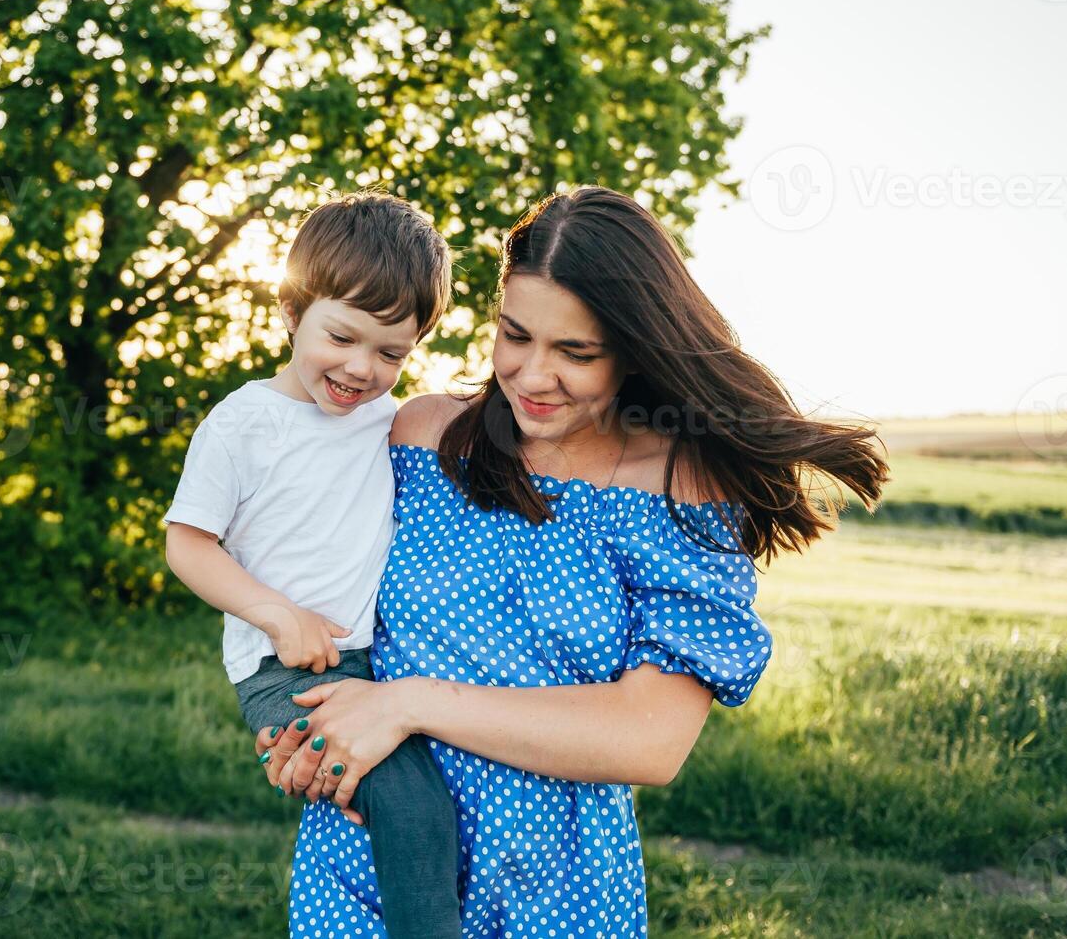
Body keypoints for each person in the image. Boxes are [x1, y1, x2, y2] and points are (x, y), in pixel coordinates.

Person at [253, 187, 890, 937]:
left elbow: (648, 740)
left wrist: (406, 704)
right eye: (514, 335)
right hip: (373, 855)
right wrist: (306, 734)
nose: (530, 375)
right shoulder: (421, 438)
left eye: (575, 352)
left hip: (553, 888)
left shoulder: (678, 490)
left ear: (634, 347)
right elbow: (312, 592)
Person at [162, 191, 463, 938]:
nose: (361, 368)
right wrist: (276, 613)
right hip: (287, 669)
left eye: (391, 353)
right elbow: (187, 543)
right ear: (293, 309)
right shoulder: (244, 423)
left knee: (396, 810)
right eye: (343, 336)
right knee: (413, 809)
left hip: (367, 662)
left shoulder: (381, 422)